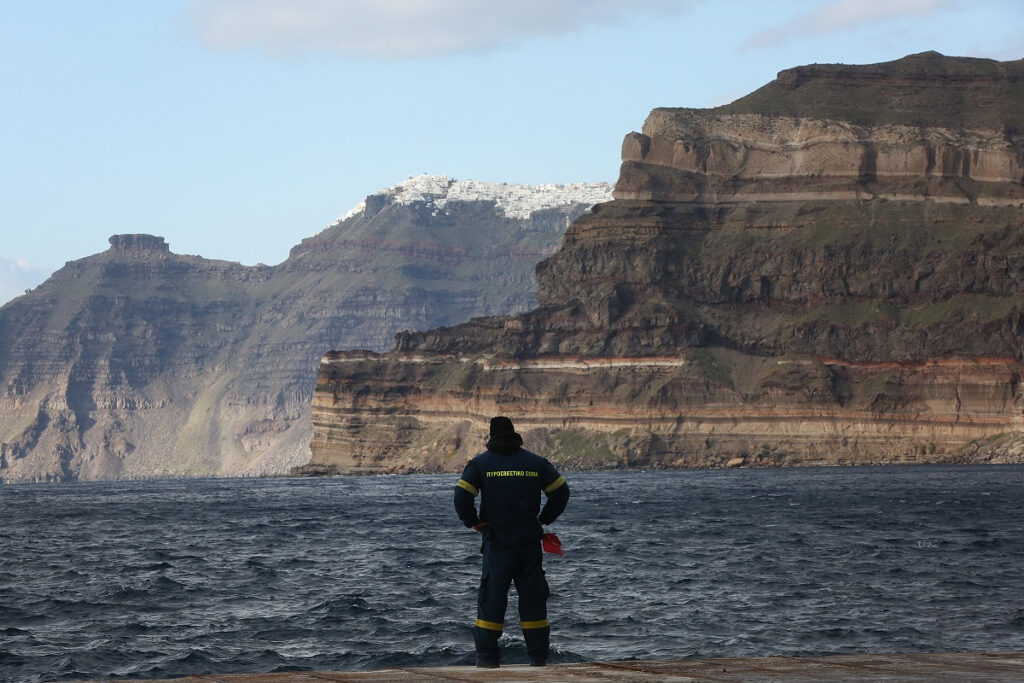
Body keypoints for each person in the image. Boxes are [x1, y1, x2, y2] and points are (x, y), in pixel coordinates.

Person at [453, 416, 570, 668]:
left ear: (491, 434)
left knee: (491, 599)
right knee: (533, 602)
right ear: (514, 433)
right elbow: (560, 491)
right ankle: (539, 659)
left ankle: (487, 660)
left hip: (498, 544)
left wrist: (472, 522)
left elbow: (462, 496)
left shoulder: (481, 464)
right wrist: (543, 519)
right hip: (528, 544)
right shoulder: (535, 463)